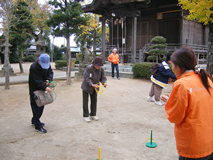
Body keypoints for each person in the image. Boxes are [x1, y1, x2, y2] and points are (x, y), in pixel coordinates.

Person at [161, 47, 213, 160]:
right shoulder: (206, 79)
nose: (172, 69)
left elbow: (175, 117)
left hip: (193, 145)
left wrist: (170, 103)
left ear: (178, 66)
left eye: (172, 66)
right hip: (209, 142)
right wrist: (175, 100)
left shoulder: (182, 84)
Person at [28, 53, 53, 133]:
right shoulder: (33, 67)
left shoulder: (47, 65)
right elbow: (36, 81)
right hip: (35, 90)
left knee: (41, 105)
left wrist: (48, 80)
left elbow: (50, 73)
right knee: (36, 107)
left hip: (42, 89)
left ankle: (34, 120)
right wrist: (45, 87)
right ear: (38, 60)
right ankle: (37, 126)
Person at [81, 56, 107, 122]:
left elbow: (103, 77)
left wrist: (104, 82)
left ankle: (93, 114)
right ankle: (86, 115)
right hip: (86, 87)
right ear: (94, 63)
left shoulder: (101, 69)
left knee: (94, 101)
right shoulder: (88, 68)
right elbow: (87, 78)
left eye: (99, 65)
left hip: (95, 87)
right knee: (85, 101)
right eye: (97, 65)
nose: (98, 66)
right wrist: (92, 84)